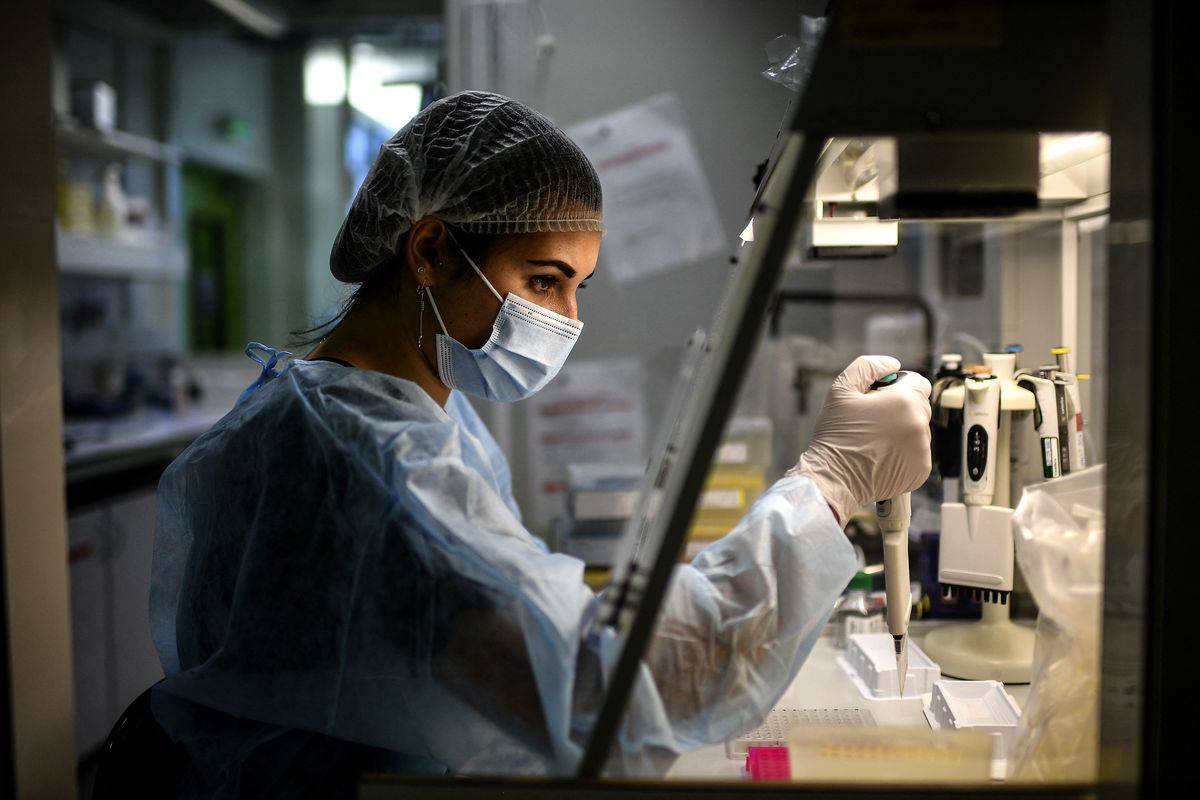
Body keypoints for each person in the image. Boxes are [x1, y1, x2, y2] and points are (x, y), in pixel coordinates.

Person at [149, 90, 931, 797]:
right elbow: (616, 695)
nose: (569, 321)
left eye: (577, 287)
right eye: (543, 280)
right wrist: (831, 482)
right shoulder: (371, 459)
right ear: (427, 250)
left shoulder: (357, 406)